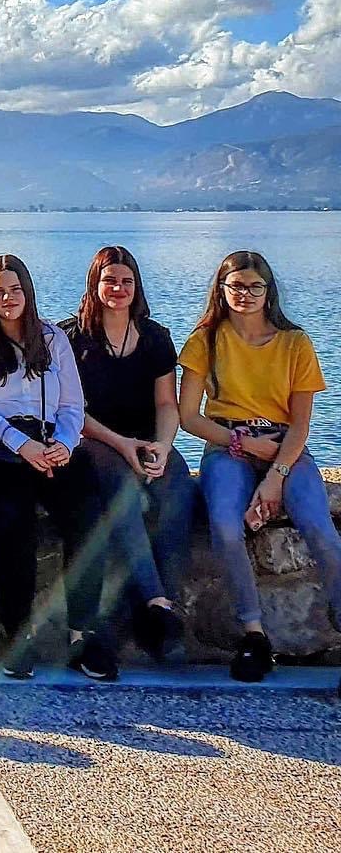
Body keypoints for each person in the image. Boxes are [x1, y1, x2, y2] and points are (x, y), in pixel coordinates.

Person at [178, 250, 341, 682]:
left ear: (268, 291)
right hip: (227, 445)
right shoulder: (205, 341)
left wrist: (275, 476)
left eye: (254, 287)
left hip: (285, 447)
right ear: (222, 290)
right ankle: (254, 635)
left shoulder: (295, 343)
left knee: (319, 526)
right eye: (236, 287)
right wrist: (242, 441)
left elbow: (302, 423)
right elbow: (189, 417)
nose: (245, 295)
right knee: (226, 525)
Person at [0, 254, 88, 679]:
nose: (8, 298)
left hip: (49, 443)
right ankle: (17, 635)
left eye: (15, 289)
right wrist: (20, 444)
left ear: (28, 291)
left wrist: (63, 443)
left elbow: (72, 404)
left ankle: (83, 634)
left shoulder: (52, 338)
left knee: (85, 515)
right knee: (15, 520)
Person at [59, 246, 193, 673]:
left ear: (136, 288)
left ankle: (160, 607)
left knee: (178, 485)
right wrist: (123, 445)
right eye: (110, 280)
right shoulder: (71, 337)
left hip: (148, 440)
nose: (118, 289)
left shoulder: (156, 337)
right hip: (95, 441)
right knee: (120, 488)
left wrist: (164, 447)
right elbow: (72, 412)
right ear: (95, 286)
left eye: (126, 281)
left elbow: (167, 404)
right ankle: (154, 600)